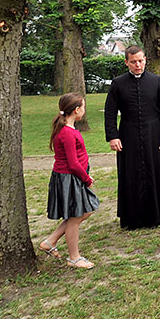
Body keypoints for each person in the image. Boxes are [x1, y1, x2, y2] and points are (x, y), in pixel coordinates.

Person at [104, 45, 160, 230]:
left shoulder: (157, 81)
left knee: (157, 173)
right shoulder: (118, 84)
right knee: (131, 174)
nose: (138, 65)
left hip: (154, 133)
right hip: (128, 135)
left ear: (145, 60)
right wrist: (113, 136)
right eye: (134, 62)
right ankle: (133, 219)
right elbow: (110, 113)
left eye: (141, 61)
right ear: (126, 62)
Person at [40, 93, 99, 270]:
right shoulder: (66, 132)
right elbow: (73, 163)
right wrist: (87, 179)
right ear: (76, 110)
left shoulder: (69, 130)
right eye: (83, 107)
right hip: (69, 178)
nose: (84, 110)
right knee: (76, 216)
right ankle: (74, 257)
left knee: (83, 212)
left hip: (72, 178)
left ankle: (50, 241)